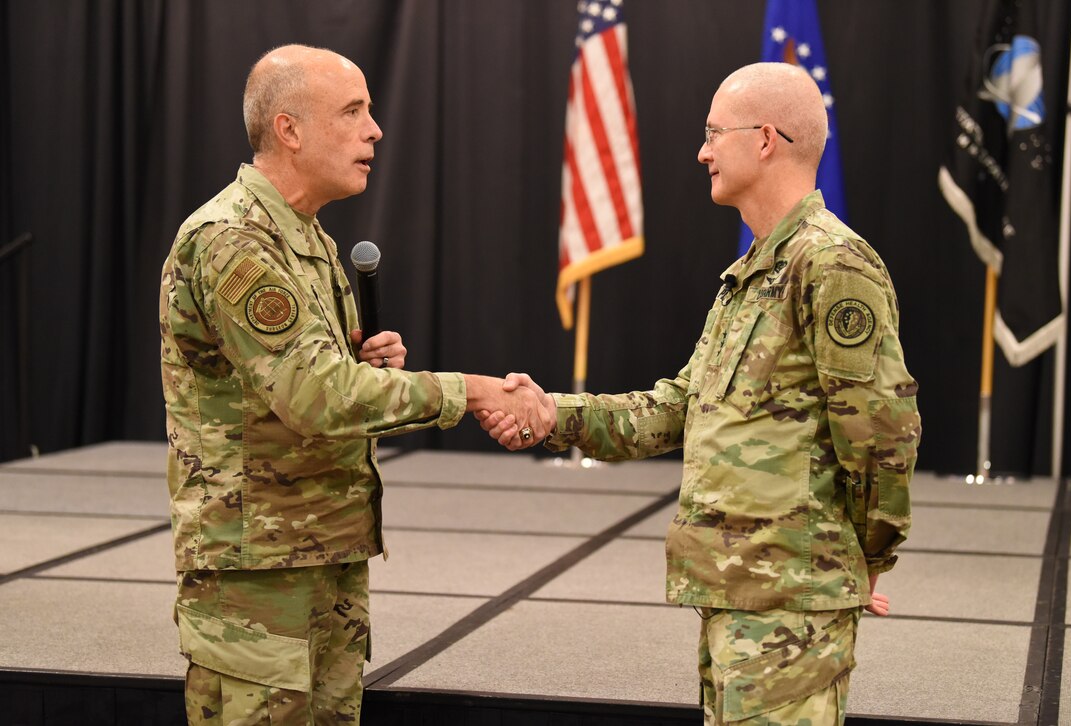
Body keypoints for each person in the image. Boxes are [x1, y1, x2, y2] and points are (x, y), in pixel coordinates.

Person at [479, 62, 919, 725]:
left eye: (715, 132)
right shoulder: (750, 273)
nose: (703, 150)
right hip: (736, 593)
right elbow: (677, 410)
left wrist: (866, 557)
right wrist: (553, 415)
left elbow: (880, 432)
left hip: (790, 601)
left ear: (765, 139)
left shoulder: (831, 263)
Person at [159, 44, 553, 725]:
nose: (374, 130)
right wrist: (478, 391)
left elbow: (317, 385)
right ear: (289, 130)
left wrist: (359, 368)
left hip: (319, 552)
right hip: (257, 576)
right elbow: (317, 397)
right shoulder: (233, 241)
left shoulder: (306, 239)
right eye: (352, 111)